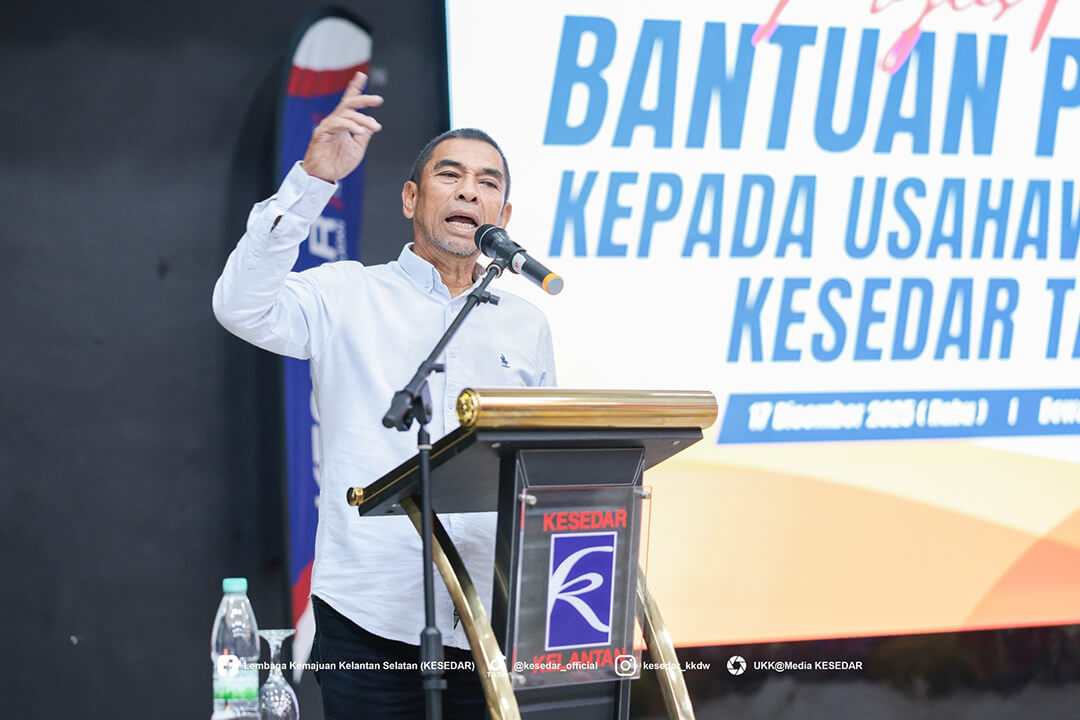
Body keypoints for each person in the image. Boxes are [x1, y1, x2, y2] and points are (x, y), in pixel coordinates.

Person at [212, 72, 556, 719]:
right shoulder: (345, 293)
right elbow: (240, 306)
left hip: (489, 621)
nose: (469, 191)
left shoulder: (525, 325)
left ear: (503, 218)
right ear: (410, 198)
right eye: (450, 175)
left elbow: (542, 469)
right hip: (366, 616)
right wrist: (312, 181)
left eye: (488, 183)